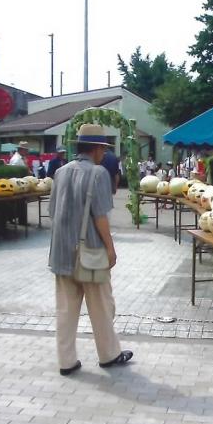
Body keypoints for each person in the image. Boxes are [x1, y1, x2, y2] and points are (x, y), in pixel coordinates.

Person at [48, 123, 133, 376]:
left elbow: (53, 212)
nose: (104, 154)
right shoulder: (98, 174)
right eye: (103, 149)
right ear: (96, 149)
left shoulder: (61, 172)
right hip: (90, 254)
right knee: (101, 306)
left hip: (61, 252)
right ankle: (108, 355)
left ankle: (66, 361)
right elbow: (101, 217)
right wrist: (110, 248)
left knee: (65, 309)